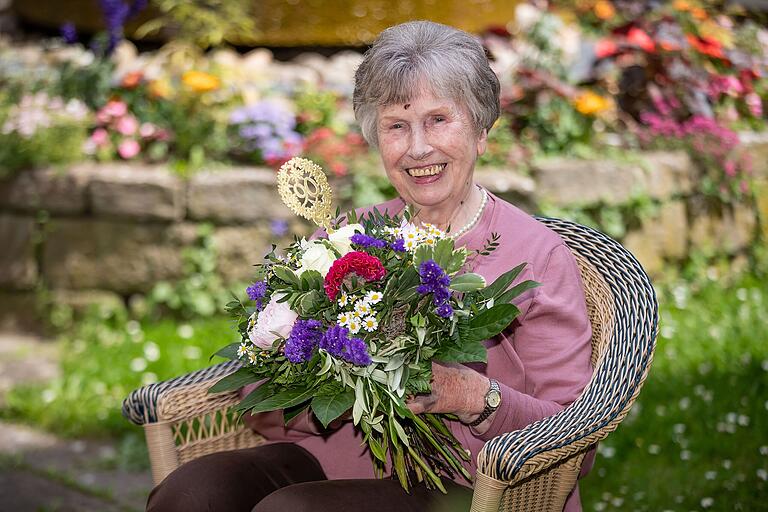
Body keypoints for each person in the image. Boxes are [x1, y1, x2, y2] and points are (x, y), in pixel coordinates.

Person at [147, 20, 594, 512]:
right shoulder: (344, 239)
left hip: (466, 482)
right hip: (330, 456)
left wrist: (473, 395)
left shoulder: (536, 257)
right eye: (397, 126)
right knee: (189, 495)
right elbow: (261, 396)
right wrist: (312, 368)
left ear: (482, 131)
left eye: (439, 120)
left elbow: (574, 438)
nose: (419, 147)